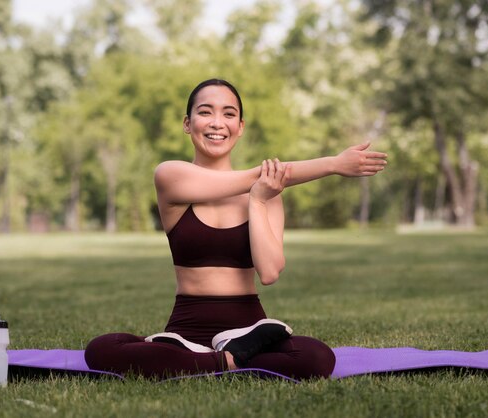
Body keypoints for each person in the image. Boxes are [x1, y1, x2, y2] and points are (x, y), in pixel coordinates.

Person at [84, 79, 388, 379]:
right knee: (102, 349)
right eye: (206, 112)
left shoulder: (267, 192)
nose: (218, 123)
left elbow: (269, 273)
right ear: (187, 124)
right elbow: (254, 176)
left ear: (240, 126)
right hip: (187, 328)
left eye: (229, 114)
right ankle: (228, 361)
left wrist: (257, 201)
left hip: (250, 329)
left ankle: (203, 359)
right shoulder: (170, 175)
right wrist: (333, 164)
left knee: (316, 357)